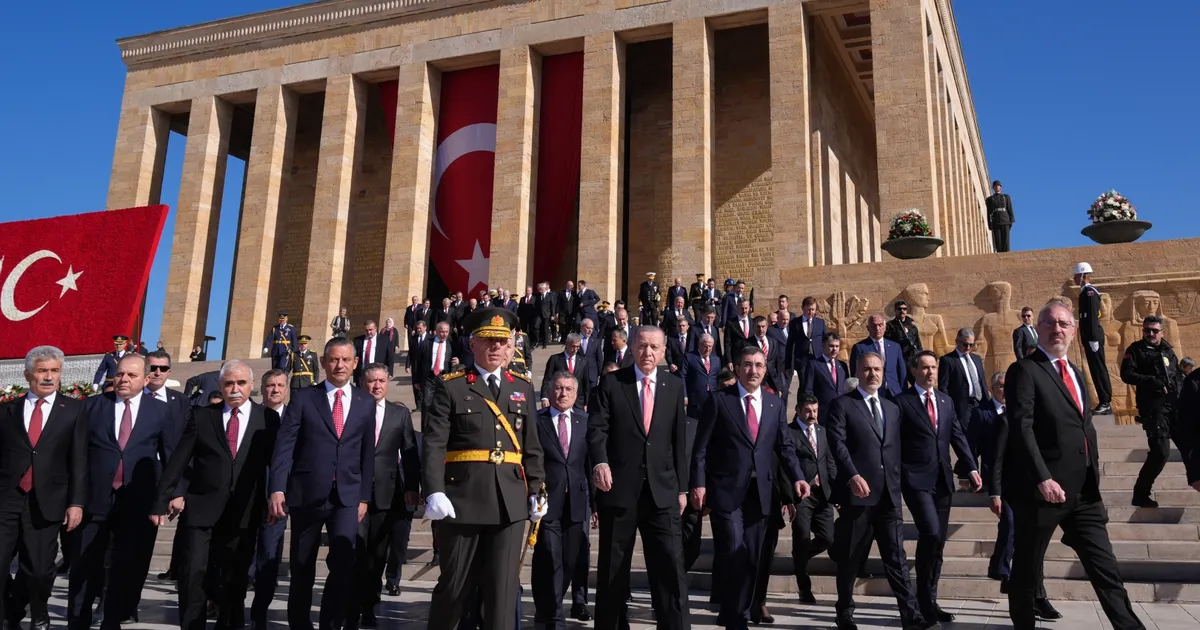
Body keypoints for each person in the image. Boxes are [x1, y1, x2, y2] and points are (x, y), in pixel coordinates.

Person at [1003, 300, 1143, 630]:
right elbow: (1021, 426)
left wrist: (1093, 467)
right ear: (1038, 329)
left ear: (1073, 330)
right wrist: (1042, 477)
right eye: (1050, 323)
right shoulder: (1024, 370)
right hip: (1043, 491)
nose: (1057, 329)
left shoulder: (1077, 373)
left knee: (1106, 568)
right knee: (1026, 568)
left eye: (1064, 324)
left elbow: (1084, 425)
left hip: (1084, 492)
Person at [421, 307, 546, 630]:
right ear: (472, 343)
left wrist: (537, 488)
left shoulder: (521, 387)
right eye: (488, 340)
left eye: (502, 342)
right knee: (454, 587)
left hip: (509, 502)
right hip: (462, 501)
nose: (496, 347)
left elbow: (531, 446)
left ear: (511, 346)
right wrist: (434, 490)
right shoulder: (451, 386)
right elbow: (435, 443)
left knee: (503, 591)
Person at [151, 360, 279, 630]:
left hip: (243, 511)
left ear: (252, 386)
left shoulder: (267, 418)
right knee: (192, 573)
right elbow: (179, 460)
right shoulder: (202, 416)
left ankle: (229, 623)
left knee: (234, 577)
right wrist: (163, 499)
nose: (235, 389)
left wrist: (275, 496)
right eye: (229, 383)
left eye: (241, 383)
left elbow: (276, 464)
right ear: (220, 385)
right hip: (200, 509)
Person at [691, 346, 810, 630]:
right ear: (737, 368)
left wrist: (797, 477)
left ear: (765, 370)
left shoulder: (775, 405)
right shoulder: (719, 400)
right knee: (734, 549)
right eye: (747, 365)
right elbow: (700, 449)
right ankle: (734, 616)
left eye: (758, 365)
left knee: (754, 556)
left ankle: (738, 612)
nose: (753, 370)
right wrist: (698, 483)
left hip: (762, 493)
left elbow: (785, 446)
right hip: (726, 490)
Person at [268, 336, 376, 630]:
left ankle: (330, 623)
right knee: (302, 566)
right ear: (324, 363)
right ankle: (300, 625)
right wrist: (278, 488)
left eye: (345, 360)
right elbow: (285, 446)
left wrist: (364, 497)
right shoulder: (304, 397)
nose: (339, 365)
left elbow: (367, 453)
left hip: (347, 495)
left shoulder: (366, 402)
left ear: (355, 364)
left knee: (343, 564)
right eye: (333, 359)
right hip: (307, 494)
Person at [587, 326, 690, 630]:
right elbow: (597, 430)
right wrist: (601, 462)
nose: (648, 353)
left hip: (663, 492)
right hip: (620, 491)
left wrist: (682, 488)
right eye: (642, 346)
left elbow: (678, 442)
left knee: (671, 568)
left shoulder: (674, 385)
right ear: (631, 347)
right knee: (612, 569)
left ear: (663, 350)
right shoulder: (611, 384)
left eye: (654, 347)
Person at [825, 352, 932, 630]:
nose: (873, 374)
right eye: (867, 369)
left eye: (877, 369)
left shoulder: (892, 408)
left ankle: (910, 616)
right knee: (851, 557)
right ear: (858, 372)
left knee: (896, 558)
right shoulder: (842, 405)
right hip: (858, 496)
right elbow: (838, 445)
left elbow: (897, 448)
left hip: (888, 497)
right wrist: (852, 476)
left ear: (884, 372)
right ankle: (845, 612)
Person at [70, 354, 175, 630]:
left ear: (146, 378)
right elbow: (78, 456)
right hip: (94, 502)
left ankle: (112, 621)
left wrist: (162, 500)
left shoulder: (161, 411)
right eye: (119, 374)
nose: (124, 379)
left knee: (123, 567)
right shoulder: (92, 406)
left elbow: (170, 457)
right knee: (84, 565)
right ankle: (78, 622)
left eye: (131, 375)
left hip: (135, 503)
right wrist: (76, 501)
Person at [0, 346, 87, 630]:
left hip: (48, 500)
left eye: (54, 371)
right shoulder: (7, 410)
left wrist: (76, 503)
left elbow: (79, 460)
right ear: (28, 375)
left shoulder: (74, 410)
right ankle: (7, 612)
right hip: (7, 498)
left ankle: (37, 612)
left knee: (38, 568)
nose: (49, 377)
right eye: (42, 371)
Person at [899, 351, 980, 623]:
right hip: (916, 480)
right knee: (931, 533)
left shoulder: (946, 402)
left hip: (942, 480)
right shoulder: (902, 402)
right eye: (924, 367)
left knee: (938, 544)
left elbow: (957, 435)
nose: (930, 372)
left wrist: (971, 466)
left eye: (933, 367)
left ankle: (930, 601)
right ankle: (921, 600)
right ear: (914, 371)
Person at [349, 364, 419, 628]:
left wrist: (413, 487)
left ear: (388, 383)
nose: (376, 386)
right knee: (354, 551)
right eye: (371, 381)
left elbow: (410, 453)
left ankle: (369, 607)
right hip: (354, 493)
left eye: (381, 381)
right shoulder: (351, 410)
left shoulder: (399, 414)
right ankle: (350, 608)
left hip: (387, 496)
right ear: (362, 382)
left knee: (377, 556)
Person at [532, 372, 593, 630]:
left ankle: (550, 607)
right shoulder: (538, 421)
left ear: (576, 394)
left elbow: (590, 464)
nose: (563, 393)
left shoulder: (586, 421)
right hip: (548, 503)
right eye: (558, 388)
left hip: (577, 502)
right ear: (549, 391)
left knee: (569, 560)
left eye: (568, 389)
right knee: (549, 557)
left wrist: (596, 505)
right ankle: (552, 616)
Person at [1120, 314, 1180, 508]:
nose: (1151, 334)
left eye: (1155, 330)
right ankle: (1141, 493)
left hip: (1174, 405)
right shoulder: (1135, 350)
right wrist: (1151, 381)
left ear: (1162, 332)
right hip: (1153, 408)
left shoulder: (1167, 350)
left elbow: (1176, 375)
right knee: (1160, 452)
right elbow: (1126, 374)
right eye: (1147, 330)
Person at [144, 350, 192, 585]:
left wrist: (178, 490)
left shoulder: (180, 401)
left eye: (162, 368)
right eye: (153, 367)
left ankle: (128, 604)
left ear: (169, 372)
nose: (157, 372)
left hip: (164, 476)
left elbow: (182, 448)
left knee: (145, 544)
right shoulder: (131, 397)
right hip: (133, 475)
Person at [783, 394, 834, 604]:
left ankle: (799, 558)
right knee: (802, 537)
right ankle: (804, 588)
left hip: (823, 495)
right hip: (801, 495)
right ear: (798, 410)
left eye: (815, 410)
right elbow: (785, 465)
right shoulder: (789, 432)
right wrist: (787, 498)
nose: (812, 415)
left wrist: (836, 491)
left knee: (828, 538)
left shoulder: (823, 431)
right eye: (808, 411)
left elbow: (829, 462)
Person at [249, 370, 289, 630]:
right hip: (246, 498)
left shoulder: (296, 418)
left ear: (286, 389)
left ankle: (259, 613)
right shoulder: (251, 416)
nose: (274, 390)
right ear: (262, 389)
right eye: (270, 385)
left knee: (268, 558)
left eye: (279, 385)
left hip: (277, 502)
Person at [1073, 263, 1113, 414]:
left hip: (1093, 337)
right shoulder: (1085, 292)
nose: (1074, 279)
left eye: (1076, 276)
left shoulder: (1089, 292)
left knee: (1098, 369)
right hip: (1089, 337)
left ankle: (1105, 401)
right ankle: (1104, 401)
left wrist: (1093, 338)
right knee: (1095, 369)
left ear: (1083, 275)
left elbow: (1092, 318)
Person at [938, 328, 988, 442]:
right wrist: (949, 408)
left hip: (980, 403)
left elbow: (982, 382)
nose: (968, 348)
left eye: (972, 344)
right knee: (967, 440)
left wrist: (987, 402)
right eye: (965, 344)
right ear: (957, 341)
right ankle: (967, 460)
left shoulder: (977, 359)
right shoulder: (948, 360)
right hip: (962, 407)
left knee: (984, 438)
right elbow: (943, 387)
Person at [849, 314, 907, 400]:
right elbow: (856, 373)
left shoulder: (895, 347)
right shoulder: (860, 347)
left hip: (895, 393)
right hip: (872, 393)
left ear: (885, 327)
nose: (877, 329)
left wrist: (903, 392)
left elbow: (901, 371)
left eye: (880, 325)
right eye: (874, 326)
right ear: (868, 328)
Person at [801, 333, 849, 423]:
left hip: (842, 413)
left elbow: (847, 389)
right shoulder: (814, 364)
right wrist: (813, 413)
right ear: (823, 346)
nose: (834, 349)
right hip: (823, 414)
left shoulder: (842, 366)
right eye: (831, 346)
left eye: (837, 346)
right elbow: (808, 390)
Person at [682, 334, 720, 418]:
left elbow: (718, 378)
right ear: (699, 344)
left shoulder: (716, 359)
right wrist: (684, 395)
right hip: (695, 401)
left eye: (710, 346)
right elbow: (683, 376)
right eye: (705, 346)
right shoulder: (689, 357)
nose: (708, 349)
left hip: (712, 399)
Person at [787, 297, 826, 378]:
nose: (810, 312)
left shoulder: (820, 323)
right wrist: (788, 366)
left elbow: (826, 341)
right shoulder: (795, 323)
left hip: (818, 359)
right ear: (802, 308)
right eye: (808, 309)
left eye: (813, 309)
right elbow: (789, 345)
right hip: (802, 361)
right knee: (804, 385)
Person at [885, 300, 923, 376]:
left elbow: (918, 344)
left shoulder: (912, 326)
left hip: (911, 360)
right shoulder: (889, 326)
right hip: (897, 360)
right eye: (899, 309)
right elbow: (887, 344)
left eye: (904, 309)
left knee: (918, 383)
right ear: (895, 310)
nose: (902, 311)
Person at [354, 320, 394, 386]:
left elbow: (390, 357)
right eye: (366, 330)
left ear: (375, 328)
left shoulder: (384, 340)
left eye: (370, 330)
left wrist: (390, 373)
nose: (368, 332)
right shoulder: (358, 340)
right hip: (362, 375)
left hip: (378, 374)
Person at [986, 180, 1015, 253]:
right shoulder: (989, 199)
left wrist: (1011, 220)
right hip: (996, 221)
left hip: (1005, 220)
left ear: (1001, 187)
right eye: (995, 186)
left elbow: (1010, 209)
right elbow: (988, 212)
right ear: (993, 188)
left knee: (1006, 241)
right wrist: (989, 224)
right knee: (998, 242)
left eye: (998, 185)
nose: (997, 187)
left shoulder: (1006, 197)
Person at [724, 300, 754, 370]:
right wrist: (729, 361)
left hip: (751, 358)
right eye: (742, 308)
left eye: (746, 308)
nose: (744, 310)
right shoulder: (730, 323)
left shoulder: (753, 322)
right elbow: (727, 343)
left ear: (749, 308)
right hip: (737, 359)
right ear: (737, 307)